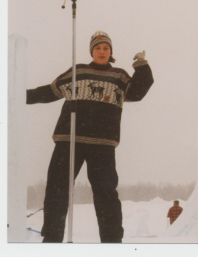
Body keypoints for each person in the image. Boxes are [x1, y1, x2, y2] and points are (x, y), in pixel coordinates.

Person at [26, 30, 154, 243]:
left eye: (106, 48)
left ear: (110, 52)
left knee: (106, 194)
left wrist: (142, 65)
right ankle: (52, 240)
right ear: (91, 51)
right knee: (57, 190)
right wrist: (16, 94)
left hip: (102, 145)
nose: (102, 52)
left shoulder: (120, 77)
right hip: (69, 140)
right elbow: (50, 92)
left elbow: (139, 91)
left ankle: (112, 241)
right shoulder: (78, 72)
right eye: (98, 48)